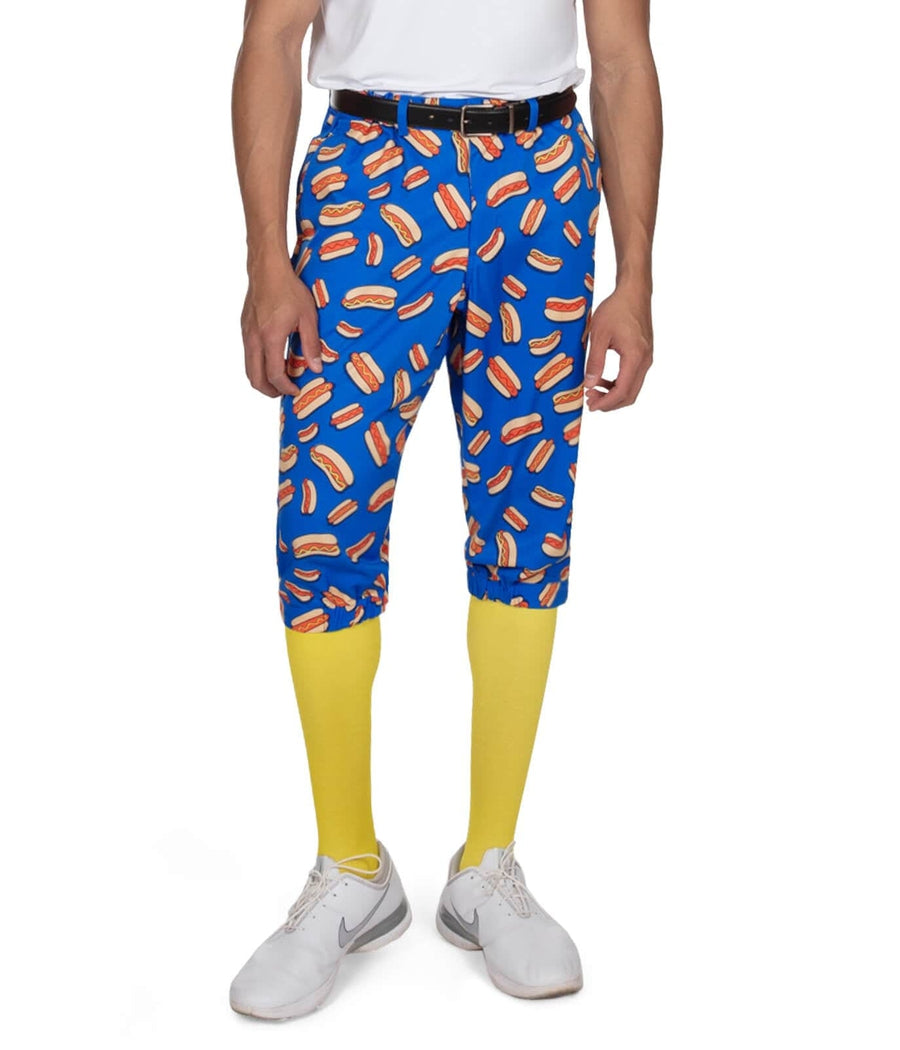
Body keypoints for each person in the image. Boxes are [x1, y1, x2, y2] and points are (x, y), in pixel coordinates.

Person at [229, 0, 661, 1019]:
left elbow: (623, 59)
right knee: (326, 520)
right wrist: (265, 260)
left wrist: (636, 277)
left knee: (527, 521)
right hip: (371, 177)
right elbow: (271, 36)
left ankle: (489, 865)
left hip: (543, 183)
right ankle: (349, 866)